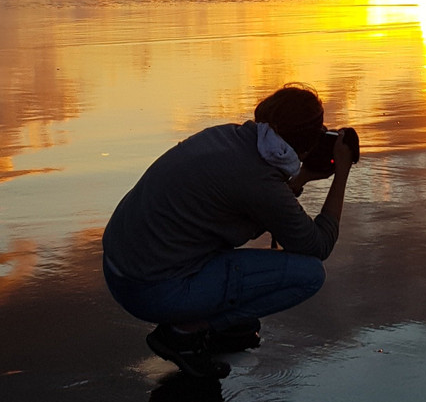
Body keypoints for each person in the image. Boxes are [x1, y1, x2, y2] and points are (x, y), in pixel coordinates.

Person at [102, 83, 355, 378]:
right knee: (309, 275)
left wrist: (305, 175)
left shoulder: (229, 137)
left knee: (243, 315)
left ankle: (202, 316)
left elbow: (256, 198)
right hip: (151, 290)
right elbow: (317, 246)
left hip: (121, 269)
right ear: (306, 140)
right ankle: (184, 332)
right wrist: (342, 174)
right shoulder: (260, 181)